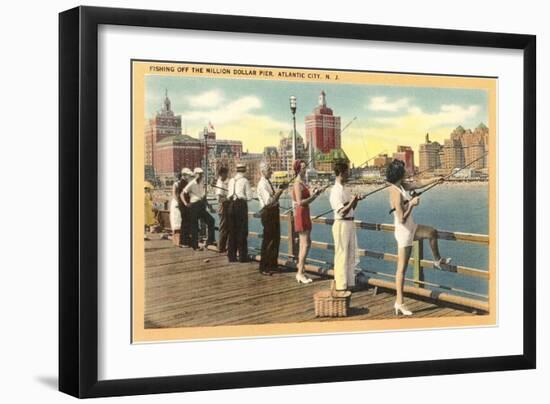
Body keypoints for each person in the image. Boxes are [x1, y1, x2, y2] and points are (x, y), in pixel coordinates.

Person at [386, 159, 451, 316]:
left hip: (411, 227)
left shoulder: (401, 186)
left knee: (431, 232)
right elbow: (401, 218)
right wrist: (412, 204)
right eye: (404, 169)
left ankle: (437, 260)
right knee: (402, 269)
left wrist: (437, 179)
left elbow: (419, 183)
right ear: (399, 173)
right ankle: (399, 303)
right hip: (404, 231)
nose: (407, 170)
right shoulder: (395, 191)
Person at [329, 161, 363, 291]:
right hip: (341, 224)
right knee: (341, 255)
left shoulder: (346, 189)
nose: (349, 174)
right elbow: (341, 212)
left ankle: (350, 283)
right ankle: (341, 285)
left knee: (350, 254)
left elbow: (350, 208)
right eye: (347, 172)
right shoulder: (335, 191)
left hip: (350, 223)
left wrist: (356, 201)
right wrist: (352, 201)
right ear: (341, 173)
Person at [291, 159, 323, 283]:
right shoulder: (297, 183)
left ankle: (301, 271)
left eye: (305, 167)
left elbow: (306, 199)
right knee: (305, 244)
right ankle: (300, 273)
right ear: (298, 169)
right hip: (301, 213)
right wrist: (314, 196)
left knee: (305, 243)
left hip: (305, 212)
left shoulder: (302, 183)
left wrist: (315, 193)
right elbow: (300, 202)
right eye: (303, 167)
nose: (305, 169)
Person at [257, 162, 287, 276]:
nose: (271, 171)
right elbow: (269, 201)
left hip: (273, 212)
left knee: (275, 239)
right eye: (269, 170)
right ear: (263, 171)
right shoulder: (262, 184)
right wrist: (280, 191)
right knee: (268, 240)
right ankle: (264, 267)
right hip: (268, 213)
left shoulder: (268, 182)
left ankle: (272, 265)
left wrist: (279, 190)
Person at [182, 167, 216, 250]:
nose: (201, 176)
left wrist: (208, 206)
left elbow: (203, 196)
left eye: (202, 174)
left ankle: (210, 241)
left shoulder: (201, 183)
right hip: (194, 206)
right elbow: (182, 193)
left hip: (200, 205)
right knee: (194, 226)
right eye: (199, 174)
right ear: (195, 174)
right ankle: (195, 246)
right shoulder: (191, 183)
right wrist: (186, 203)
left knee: (211, 221)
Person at [227, 163, 254, 262]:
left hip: (231, 206)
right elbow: (250, 197)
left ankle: (231, 256)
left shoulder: (231, 180)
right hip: (240, 206)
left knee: (232, 231)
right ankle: (242, 256)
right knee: (242, 231)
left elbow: (229, 195)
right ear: (244, 170)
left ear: (237, 170)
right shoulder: (245, 181)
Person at [215, 166, 230, 253]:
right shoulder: (220, 183)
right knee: (223, 228)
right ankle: (221, 247)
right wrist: (229, 198)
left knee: (226, 228)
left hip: (226, 207)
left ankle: (224, 247)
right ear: (222, 174)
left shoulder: (224, 182)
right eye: (226, 174)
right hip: (223, 207)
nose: (227, 175)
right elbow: (220, 199)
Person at [169, 173, 183, 245]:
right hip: (176, 202)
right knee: (176, 220)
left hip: (181, 202)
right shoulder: (176, 184)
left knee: (180, 220)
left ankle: (179, 240)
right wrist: (178, 202)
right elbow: (174, 194)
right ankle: (177, 240)